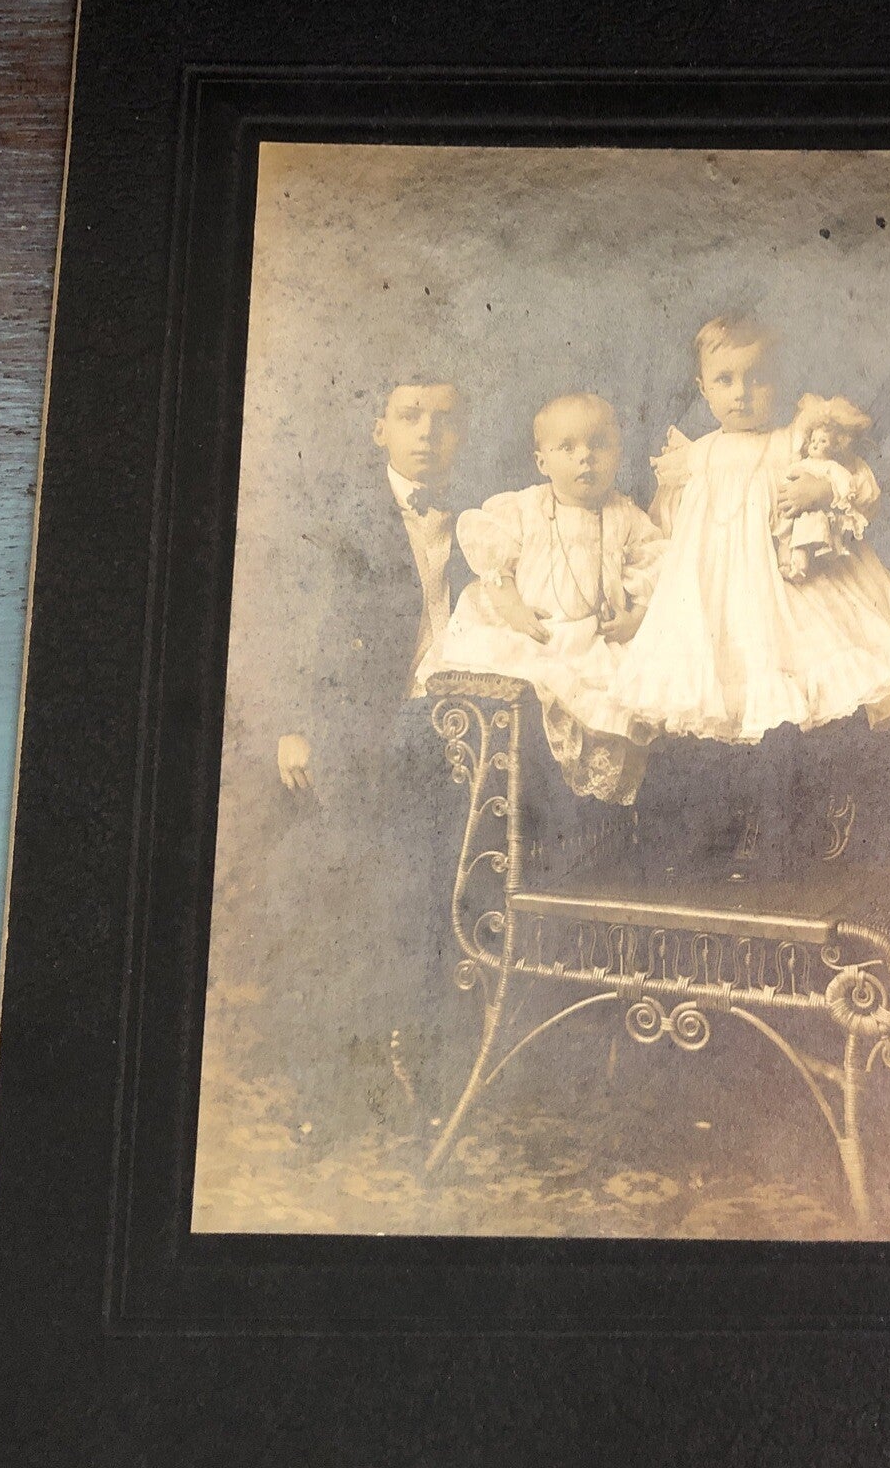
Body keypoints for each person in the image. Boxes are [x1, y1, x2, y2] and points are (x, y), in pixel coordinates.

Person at [612, 314, 890, 746]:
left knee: (804, 663)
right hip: (714, 587)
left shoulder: (792, 441)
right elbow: (669, 531)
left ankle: (802, 748)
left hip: (790, 583)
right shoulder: (694, 456)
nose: (741, 393)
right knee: (722, 670)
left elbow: (862, 485)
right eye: (725, 380)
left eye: (757, 378)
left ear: (778, 382)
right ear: (703, 389)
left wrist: (823, 487)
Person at [270, 373, 469, 1133]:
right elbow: (300, 611)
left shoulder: (485, 518)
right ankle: (325, 1093)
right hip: (360, 727)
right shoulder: (344, 512)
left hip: (447, 730)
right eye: (410, 416)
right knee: (347, 904)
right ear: (378, 428)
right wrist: (295, 720)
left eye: (444, 420)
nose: (427, 432)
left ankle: (419, 1081)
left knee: (430, 905)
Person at [420, 393, 666, 806]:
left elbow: (655, 565)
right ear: (542, 461)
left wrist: (636, 618)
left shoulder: (623, 515)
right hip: (529, 632)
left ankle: (577, 808)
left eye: (598, 445)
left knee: (615, 703)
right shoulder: (526, 508)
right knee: (532, 691)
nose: (585, 458)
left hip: (591, 639)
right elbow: (494, 567)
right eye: (567, 448)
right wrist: (513, 608)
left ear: (618, 454)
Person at [773, 393, 881, 581]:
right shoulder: (796, 454)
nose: (815, 445)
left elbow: (861, 488)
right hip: (784, 514)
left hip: (816, 521)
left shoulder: (830, 463)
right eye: (813, 441)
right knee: (786, 529)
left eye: (822, 441)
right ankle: (786, 554)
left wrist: (823, 491)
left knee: (813, 526)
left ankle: (801, 560)